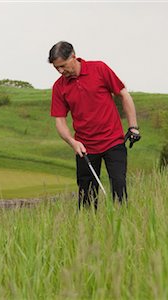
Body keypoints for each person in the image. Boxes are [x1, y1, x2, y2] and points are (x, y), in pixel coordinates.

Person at [48, 41, 141, 209]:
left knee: (119, 192)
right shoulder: (59, 87)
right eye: (56, 68)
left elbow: (124, 95)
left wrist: (133, 127)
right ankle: (88, 232)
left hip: (113, 141)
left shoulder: (99, 69)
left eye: (63, 66)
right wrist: (72, 142)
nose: (61, 71)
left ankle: (121, 228)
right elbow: (60, 121)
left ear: (73, 57)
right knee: (86, 201)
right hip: (85, 148)